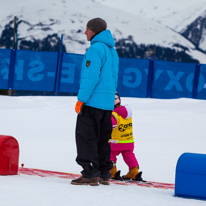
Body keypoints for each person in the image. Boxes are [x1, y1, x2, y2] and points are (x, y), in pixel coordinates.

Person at [71, 18, 119, 186]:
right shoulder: (112, 51)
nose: (85, 32)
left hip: (92, 103)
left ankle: (90, 173)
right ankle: (104, 173)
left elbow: (90, 77)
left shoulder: (95, 49)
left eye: (87, 29)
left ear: (94, 30)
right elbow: (113, 78)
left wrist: (81, 100)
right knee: (103, 139)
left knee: (86, 137)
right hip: (107, 104)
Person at [109, 92, 140, 180]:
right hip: (129, 141)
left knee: (110, 154)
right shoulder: (127, 114)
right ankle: (134, 171)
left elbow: (111, 125)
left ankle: (111, 171)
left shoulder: (113, 114)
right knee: (129, 155)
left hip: (115, 142)